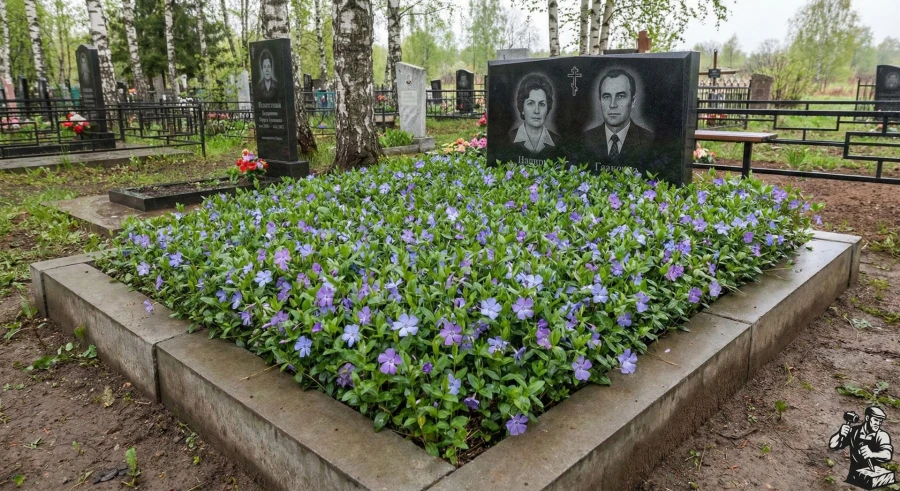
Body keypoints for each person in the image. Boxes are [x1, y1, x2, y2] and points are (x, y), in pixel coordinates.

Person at [582, 68, 654, 165]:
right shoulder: (585, 139)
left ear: (633, 101)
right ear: (600, 100)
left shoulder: (649, 140)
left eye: (620, 96)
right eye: (606, 97)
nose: (612, 105)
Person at [829, 406, 894, 487]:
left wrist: (872, 454)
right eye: (876, 420)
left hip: (873, 477)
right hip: (853, 475)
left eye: (880, 421)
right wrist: (839, 434)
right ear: (867, 418)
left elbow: (888, 455)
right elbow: (833, 445)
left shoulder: (882, 435)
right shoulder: (854, 431)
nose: (878, 424)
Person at [508, 73, 560, 158]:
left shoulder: (557, 141)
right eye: (530, 103)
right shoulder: (509, 138)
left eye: (542, 104)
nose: (536, 111)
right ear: (522, 107)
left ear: (548, 108)